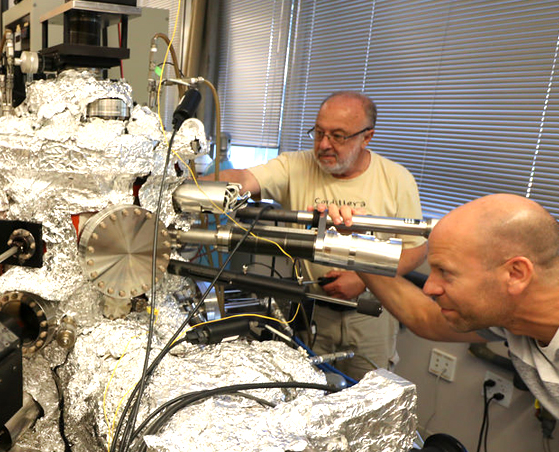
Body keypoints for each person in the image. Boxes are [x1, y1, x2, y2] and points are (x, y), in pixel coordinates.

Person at [211, 91, 427, 379]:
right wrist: (200, 183)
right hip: (311, 312)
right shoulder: (295, 166)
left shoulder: (397, 180)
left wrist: (362, 278)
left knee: (368, 398)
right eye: (319, 132)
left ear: (367, 137)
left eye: (338, 136)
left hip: (371, 315)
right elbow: (245, 179)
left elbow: (415, 250)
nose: (324, 144)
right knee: (308, 392)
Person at [328, 194, 559, 417]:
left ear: (516, 274)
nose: (429, 288)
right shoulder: (510, 316)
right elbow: (425, 317)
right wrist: (354, 244)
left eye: (445, 272)